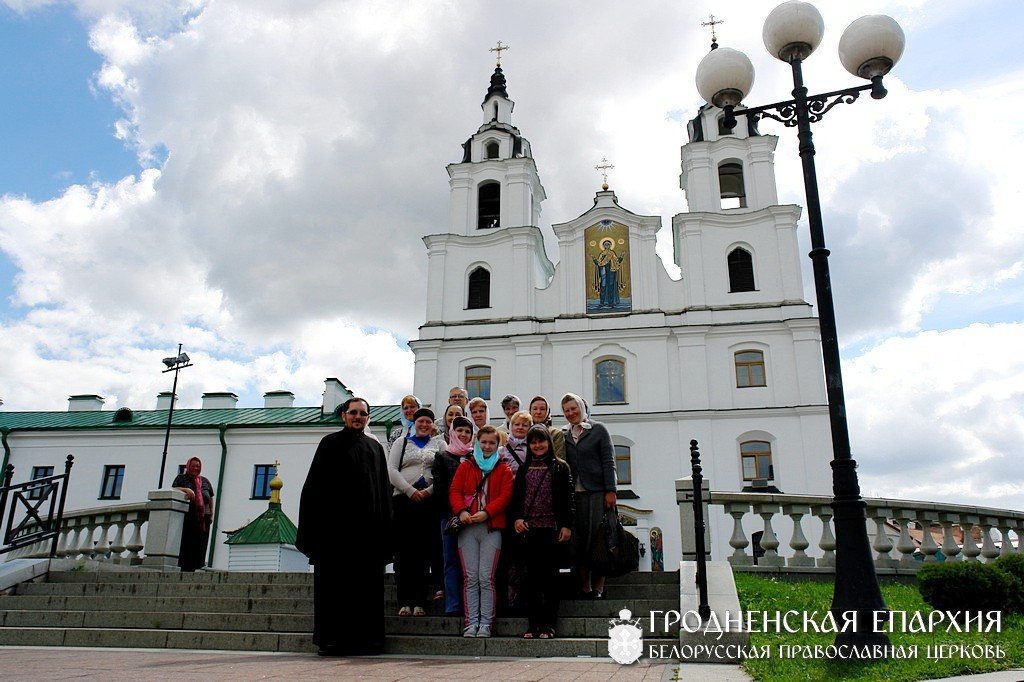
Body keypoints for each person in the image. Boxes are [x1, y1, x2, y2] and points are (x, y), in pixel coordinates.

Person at [296, 397, 392, 657]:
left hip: (367, 535)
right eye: (353, 412)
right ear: (344, 416)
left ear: (368, 418)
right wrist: (313, 530)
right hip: (334, 534)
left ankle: (367, 641)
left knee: (366, 590)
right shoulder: (329, 444)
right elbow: (313, 488)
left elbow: (383, 491)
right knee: (333, 590)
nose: (358, 417)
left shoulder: (375, 448)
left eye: (363, 413)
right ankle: (331, 641)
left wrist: (385, 530)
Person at [449, 425, 513, 638]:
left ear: (498, 445)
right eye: (483, 442)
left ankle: (486, 622)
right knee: (470, 577)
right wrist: (461, 511)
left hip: (490, 528)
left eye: (491, 443)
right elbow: (455, 491)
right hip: (467, 528)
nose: (487, 446)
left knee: (486, 577)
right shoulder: (467, 465)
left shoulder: (503, 468)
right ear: (477, 443)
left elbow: (505, 496)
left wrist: (487, 513)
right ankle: (471, 622)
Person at [510, 425, 575, 639]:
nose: (537, 446)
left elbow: (568, 499)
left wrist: (566, 525)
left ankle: (549, 625)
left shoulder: (561, 467)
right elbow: (517, 499)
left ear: (549, 442)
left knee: (550, 580)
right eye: (533, 442)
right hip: (528, 530)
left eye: (541, 441)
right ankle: (532, 625)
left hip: (551, 530)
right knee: (529, 580)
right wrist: (517, 518)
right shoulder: (523, 468)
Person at [387, 407, 444, 616]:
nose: (424, 425)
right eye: (421, 421)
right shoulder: (402, 443)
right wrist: (410, 490)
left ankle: (419, 601)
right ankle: (404, 600)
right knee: (404, 552)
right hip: (404, 500)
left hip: (428, 502)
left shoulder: (439, 444)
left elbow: (444, 471)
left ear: (433, 425)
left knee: (423, 552)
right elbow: (392, 469)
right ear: (415, 422)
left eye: (428, 422)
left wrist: (429, 491)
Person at [560, 392, 616, 600]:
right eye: (566, 410)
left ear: (582, 408)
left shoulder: (598, 430)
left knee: (599, 539)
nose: (571, 413)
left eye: (574, 408)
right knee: (579, 541)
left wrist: (611, 490)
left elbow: (609, 461)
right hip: (575, 495)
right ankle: (585, 586)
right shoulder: (564, 435)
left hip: (597, 493)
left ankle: (599, 586)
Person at [431, 415, 474, 616]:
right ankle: (453, 605)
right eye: (460, 431)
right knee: (450, 561)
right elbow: (440, 490)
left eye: (467, 431)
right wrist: (453, 514)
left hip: (473, 518)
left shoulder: (476, 456)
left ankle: (470, 603)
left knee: (470, 562)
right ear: (452, 433)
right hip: (448, 517)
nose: (463, 435)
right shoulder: (443, 457)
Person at [172, 456, 214, 572]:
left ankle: (199, 563)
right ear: (188, 466)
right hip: (189, 515)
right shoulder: (181, 478)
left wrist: (211, 513)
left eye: (198, 466)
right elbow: (174, 489)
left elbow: (210, 497)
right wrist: (187, 490)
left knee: (201, 541)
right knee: (188, 541)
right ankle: (186, 565)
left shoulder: (204, 481)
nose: (196, 468)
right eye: (193, 466)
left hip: (203, 516)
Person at [528, 395, 566, 462]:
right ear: (530, 411)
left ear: (548, 412)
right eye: (535, 409)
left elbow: (559, 458)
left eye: (542, 409)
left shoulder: (555, 433)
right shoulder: (525, 432)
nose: (538, 412)